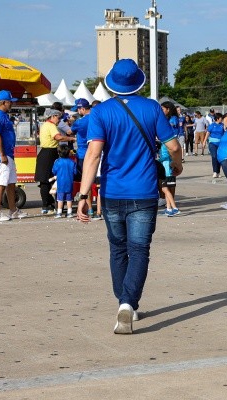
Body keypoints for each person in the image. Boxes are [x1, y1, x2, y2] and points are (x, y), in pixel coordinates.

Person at [77, 59, 182, 334]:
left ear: (112, 83)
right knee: (139, 250)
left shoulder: (100, 113)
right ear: (138, 82)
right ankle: (127, 303)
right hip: (145, 191)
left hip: (112, 192)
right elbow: (172, 145)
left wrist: (84, 194)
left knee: (117, 249)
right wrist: (178, 165)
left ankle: (124, 303)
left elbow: (93, 155)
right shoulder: (152, 109)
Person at [0, 90, 29, 222]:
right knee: (1, 183)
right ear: (4, 102)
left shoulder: (3, 115)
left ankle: (13, 210)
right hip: (1, 155)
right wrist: (2, 154)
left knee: (11, 183)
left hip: (8, 154)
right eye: (10, 102)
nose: (12, 104)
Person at [35, 109, 75, 214]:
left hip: (44, 152)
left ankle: (49, 204)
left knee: (46, 180)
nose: (59, 120)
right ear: (52, 116)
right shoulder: (51, 126)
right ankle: (47, 205)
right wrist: (70, 139)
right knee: (46, 180)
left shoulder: (44, 125)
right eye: (58, 117)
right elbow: (58, 137)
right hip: (49, 153)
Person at [71, 98, 94, 215]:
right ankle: (100, 207)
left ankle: (89, 208)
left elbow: (70, 131)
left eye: (78, 109)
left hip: (83, 154)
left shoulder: (80, 122)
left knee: (86, 181)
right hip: (98, 152)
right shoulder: (97, 118)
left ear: (82, 109)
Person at [160, 101, 180, 216]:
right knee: (166, 186)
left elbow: (171, 142)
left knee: (165, 186)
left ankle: (174, 207)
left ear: (168, 109)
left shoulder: (171, 121)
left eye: (163, 109)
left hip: (167, 157)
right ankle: (169, 208)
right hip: (167, 155)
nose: (162, 111)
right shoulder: (172, 120)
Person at [52, 144, 77, 218]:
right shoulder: (72, 162)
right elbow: (75, 172)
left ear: (59, 153)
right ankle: (70, 212)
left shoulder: (57, 162)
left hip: (60, 183)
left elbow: (54, 171)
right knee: (69, 198)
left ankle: (59, 212)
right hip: (70, 182)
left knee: (60, 198)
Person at [206, 112, 224, 178]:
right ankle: (215, 172)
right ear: (217, 118)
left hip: (220, 143)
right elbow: (208, 133)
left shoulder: (222, 125)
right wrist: (204, 141)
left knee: (218, 157)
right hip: (212, 143)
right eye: (220, 118)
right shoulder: (212, 125)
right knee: (214, 157)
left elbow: (225, 132)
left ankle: (218, 172)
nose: (221, 119)